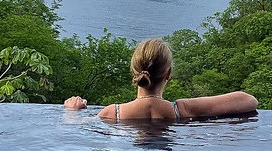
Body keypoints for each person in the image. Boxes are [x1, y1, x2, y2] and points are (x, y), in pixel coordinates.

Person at [63, 37, 257, 122]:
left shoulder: (113, 113)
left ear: (134, 72)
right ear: (168, 74)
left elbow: (78, 128)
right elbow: (248, 100)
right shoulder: (182, 110)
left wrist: (72, 113)